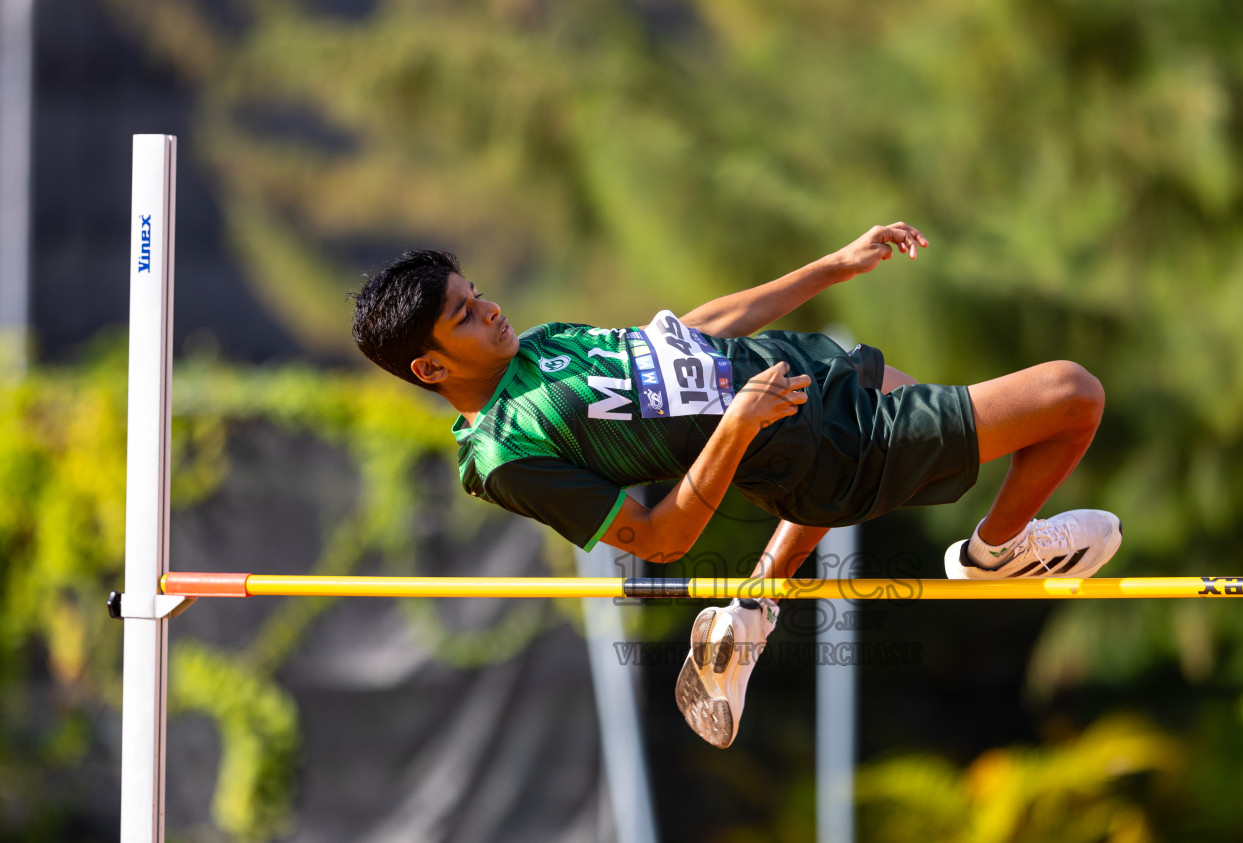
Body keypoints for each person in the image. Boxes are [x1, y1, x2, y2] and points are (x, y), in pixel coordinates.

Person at [350, 224, 1120, 748]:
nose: (489, 307)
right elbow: (661, 539)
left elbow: (696, 331)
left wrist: (833, 267)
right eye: (465, 314)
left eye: (476, 292)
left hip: (801, 374)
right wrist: (737, 427)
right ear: (431, 368)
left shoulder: (540, 348)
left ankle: (750, 614)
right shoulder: (505, 454)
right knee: (1071, 393)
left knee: (956, 406)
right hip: (820, 443)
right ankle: (995, 551)